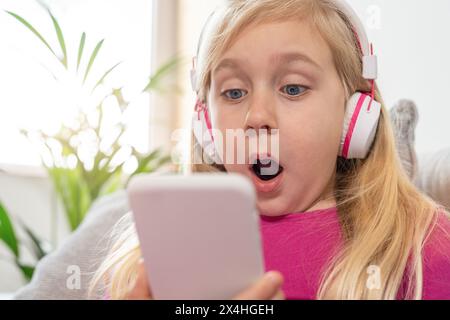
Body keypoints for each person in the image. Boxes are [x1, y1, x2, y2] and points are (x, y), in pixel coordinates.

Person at [90, 0, 450, 300]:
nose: (257, 116)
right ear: (206, 125)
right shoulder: (159, 253)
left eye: (293, 88)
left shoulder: (422, 250)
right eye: (233, 92)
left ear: (355, 114)